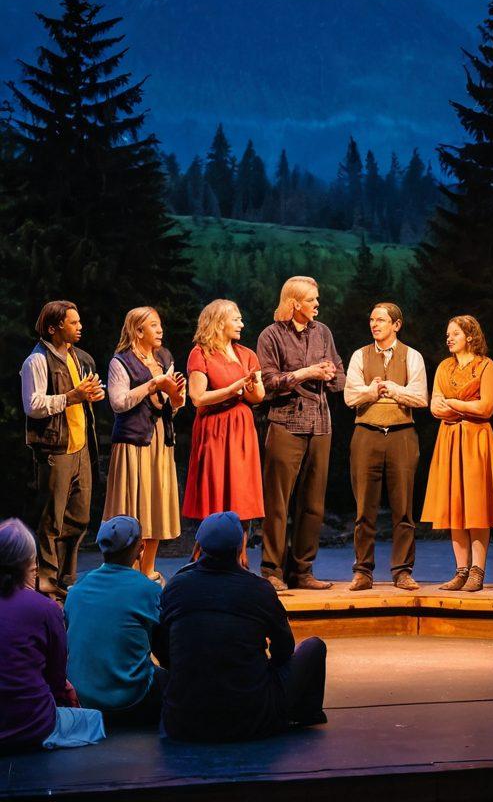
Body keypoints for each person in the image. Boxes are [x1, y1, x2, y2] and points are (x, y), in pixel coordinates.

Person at [156, 511, 327, 741]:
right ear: (239, 549)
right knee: (314, 647)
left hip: (183, 722)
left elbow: (161, 644)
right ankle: (302, 713)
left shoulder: (176, 586)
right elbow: (284, 648)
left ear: (199, 547)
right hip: (251, 720)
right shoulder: (258, 589)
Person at [257, 276, 345, 592]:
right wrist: (305, 373)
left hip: (320, 425)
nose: (317, 306)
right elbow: (267, 381)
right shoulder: (271, 336)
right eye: (312, 300)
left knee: (313, 504)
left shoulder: (323, 333)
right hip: (284, 424)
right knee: (278, 502)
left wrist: (332, 375)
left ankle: (303, 571)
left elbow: (340, 376)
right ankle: (272, 570)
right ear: (295, 303)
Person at [20, 300, 105, 600]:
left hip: (79, 446)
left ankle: (66, 578)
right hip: (55, 450)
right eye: (74, 323)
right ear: (54, 328)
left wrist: (92, 394)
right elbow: (33, 405)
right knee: (51, 519)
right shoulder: (38, 361)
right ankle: (46, 580)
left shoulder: (78, 358)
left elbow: (89, 393)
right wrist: (71, 396)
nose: (80, 327)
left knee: (79, 518)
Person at [421, 315, 493, 593]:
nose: (449, 338)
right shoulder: (444, 367)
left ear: (470, 336)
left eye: (455, 334)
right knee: (454, 505)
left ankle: (477, 570)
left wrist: (455, 404)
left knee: (476, 505)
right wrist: (459, 406)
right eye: (448, 334)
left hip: (476, 439)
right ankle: (460, 570)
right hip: (448, 438)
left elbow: (486, 408)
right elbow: (435, 407)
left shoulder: (486, 366)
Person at [0, 518, 105, 752]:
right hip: (31, 724)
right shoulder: (45, 609)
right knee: (94, 721)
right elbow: (56, 677)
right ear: (28, 565)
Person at [344, 302, 428, 591]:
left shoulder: (412, 356)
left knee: (403, 507)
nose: (374, 324)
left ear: (396, 325)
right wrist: (372, 391)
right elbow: (351, 397)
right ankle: (363, 571)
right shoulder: (360, 356)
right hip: (366, 434)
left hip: (402, 435)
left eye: (381, 320)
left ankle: (402, 570)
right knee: (363, 507)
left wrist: (391, 389)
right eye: (371, 319)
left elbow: (420, 398)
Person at [104, 307, 186, 582]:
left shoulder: (164, 357)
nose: (160, 330)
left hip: (160, 440)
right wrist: (152, 385)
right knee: (133, 508)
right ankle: (128, 572)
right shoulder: (121, 361)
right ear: (138, 331)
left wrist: (175, 397)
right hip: (133, 442)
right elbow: (118, 402)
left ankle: (148, 569)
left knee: (155, 508)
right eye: (154, 325)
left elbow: (170, 407)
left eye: (160, 324)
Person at [64, 516, 166, 727]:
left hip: (84, 700)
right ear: (141, 548)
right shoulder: (148, 590)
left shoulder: (77, 589)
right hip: (131, 702)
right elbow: (165, 651)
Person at [181, 300, 265, 555]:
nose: (242, 324)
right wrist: (230, 390)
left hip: (241, 429)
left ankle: (240, 560)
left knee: (242, 494)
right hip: (214, 428)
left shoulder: (246, 354)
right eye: (236, 319)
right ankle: (205, 557)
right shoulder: (201, 353)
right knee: (215, 492)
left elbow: (257, 397)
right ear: (219, 322)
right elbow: (197, 397)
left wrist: (251, 386)